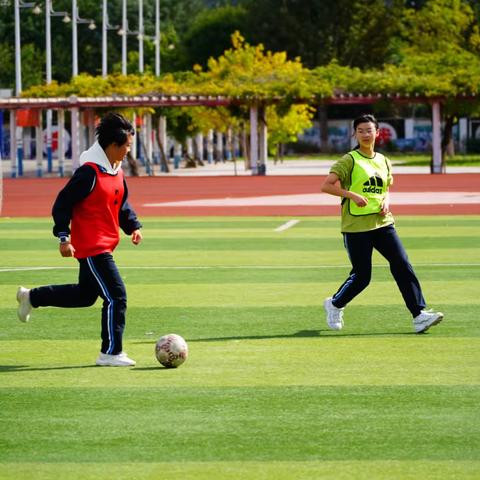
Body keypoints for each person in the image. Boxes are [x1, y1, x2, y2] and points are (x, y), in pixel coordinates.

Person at [16, 112, 143, 366]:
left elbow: (121, 204)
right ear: (112, 145)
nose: (129, 150)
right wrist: (63, 237)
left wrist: (133, 227)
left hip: (105, 243)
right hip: (92, 246)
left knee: (85, 296)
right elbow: (62, 203)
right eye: (127, 146)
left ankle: (31, 297)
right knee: (117, 296)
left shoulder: (116, 171)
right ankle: (110, 353)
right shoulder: (89, 173)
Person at [321, 114, 443, 333]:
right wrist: (352, 195)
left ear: (377, 133)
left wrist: (386, 201)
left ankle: (419, 315)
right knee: (362, 276)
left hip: (383, 223)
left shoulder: (384, 160)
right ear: (354, 134)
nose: (366, 134)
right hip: (356, 226)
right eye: (361, 131)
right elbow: (327, 186)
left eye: (369, 130)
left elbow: (386, 187)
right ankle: (335, 303)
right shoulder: (349, 160)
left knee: (402, 264)